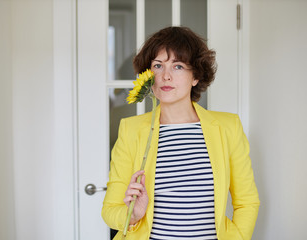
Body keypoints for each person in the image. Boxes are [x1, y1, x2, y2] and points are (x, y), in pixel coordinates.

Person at [102, 26, 260, 240]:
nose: (166, 76)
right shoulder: (131, 130)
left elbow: (247, 201)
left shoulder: (227, 127)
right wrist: (132, 215)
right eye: (158, 66)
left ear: (196, 76)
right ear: (149, 75)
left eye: (178, 66)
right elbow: (110, 210)